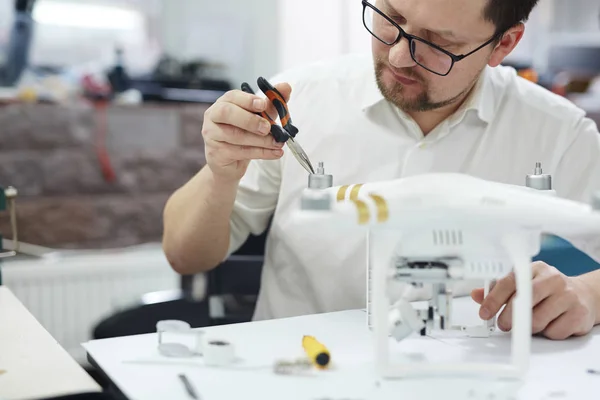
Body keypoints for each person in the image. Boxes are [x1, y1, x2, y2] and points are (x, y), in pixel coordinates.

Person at [162, 0, 600, 340]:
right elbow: (185, 256)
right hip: (301, 370)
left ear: (503, 44)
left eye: (438, 43)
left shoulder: (557, 131)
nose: (397, 56)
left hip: (468, 377)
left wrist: (589, 295)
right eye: (390, 16)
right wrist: (221, 173)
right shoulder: (305, 98)